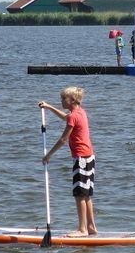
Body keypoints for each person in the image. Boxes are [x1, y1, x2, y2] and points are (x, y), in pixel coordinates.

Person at [39, 86, 97, 237]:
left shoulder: (73, 116)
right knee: (86, 194)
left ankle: (82, 230)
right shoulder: (80, 112)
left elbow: (64, 139)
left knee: (80, 194)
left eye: (63, 99)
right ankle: (91, 227)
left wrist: (48, 155)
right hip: (89, 156)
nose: (61, 101)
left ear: (72, 100)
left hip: (81, 158)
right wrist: (49, 107)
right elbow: (66, 117)